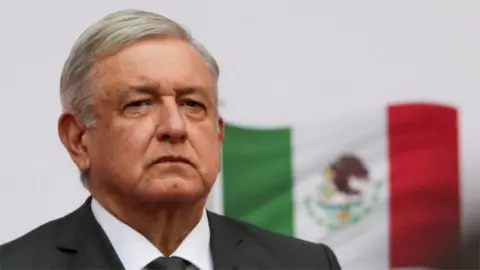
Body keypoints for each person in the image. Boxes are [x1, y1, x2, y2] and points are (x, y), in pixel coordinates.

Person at [0, 9, 341, 270]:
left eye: (192, 104)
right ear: (78, 139)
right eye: (139, 104)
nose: (174, 127)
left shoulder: (305, 264)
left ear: (218, 133)